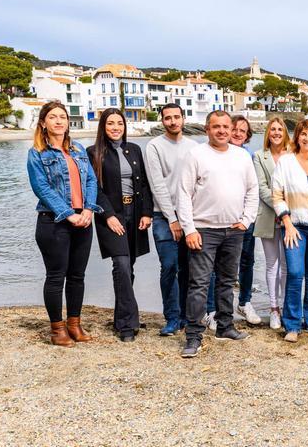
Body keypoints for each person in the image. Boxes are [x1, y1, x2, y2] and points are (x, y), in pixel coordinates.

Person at [177, 111, 258, 358]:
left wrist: (246, 220)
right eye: (216, 127)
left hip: (233, 230)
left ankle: (225, 326)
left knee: (226, 281)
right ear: (207, 129)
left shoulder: (241, 156)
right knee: (199, 284)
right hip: (204, 230)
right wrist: (189, 229)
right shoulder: (196, 155)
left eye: (225, 126)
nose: (222, 131)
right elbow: (183, 193)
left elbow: (252, 190)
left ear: (232, 129)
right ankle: (193, 336)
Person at [27, 101, 100, 346]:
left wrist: (89, 209)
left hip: (84, 219)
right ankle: (57, 330)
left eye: (62, 117)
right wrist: (68, 213)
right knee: (56, 276)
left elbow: (91, 180)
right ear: (43, 123)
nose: (59, 121)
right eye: (53, 117)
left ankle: (74, 324)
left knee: (77, 275)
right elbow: (41, 188)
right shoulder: (37, 153)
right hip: (54, 221)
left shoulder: (78, 149)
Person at [88, 108, 153, 343]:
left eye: (120, 124)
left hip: (135, 214)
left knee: (130, 267)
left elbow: (144, 184)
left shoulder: (134, 149)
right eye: (110, 124)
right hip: (112, 216)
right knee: (122, 265)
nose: (116, 128)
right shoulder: (93, 153)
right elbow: (94, 188)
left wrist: (147, 212)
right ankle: (127, 324)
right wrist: (108, 215)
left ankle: (122, 316)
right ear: (103, 127)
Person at [272, 119, 308, 342]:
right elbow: (277, 194)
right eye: (303, 134)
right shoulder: (286, 162)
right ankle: (292, 325)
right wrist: (286, 221)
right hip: (293, 226)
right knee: (296, 273)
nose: (307, 138)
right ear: (297, 137)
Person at [202, 116, 261, 328]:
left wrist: (247, 219)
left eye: (242, 131)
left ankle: (244, 302)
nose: (237, 133)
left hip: (244, 220)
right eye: (234, 129)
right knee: (216, 268)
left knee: (246, 261)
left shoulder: (249, 156)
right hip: (219, 222)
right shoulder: (210, 153)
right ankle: (212, 309)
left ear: (247, 136)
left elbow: (253, 189)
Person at [145, 103, 196, 336]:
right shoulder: (154, 146)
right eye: (168, 118)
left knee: (188, 268)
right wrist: (172, 219)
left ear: (183, 118)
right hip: (164, 217)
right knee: (169, 266)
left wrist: (188, 221)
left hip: (190, 216)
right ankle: (172, 317)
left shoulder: (194, 147)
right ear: (162, 120)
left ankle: (187, 316)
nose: (173, 121)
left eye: (177, 117)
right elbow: (157, 185)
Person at [253, 117, 291, 330]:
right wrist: (280, 205)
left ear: (285, 133)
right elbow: (261, 187)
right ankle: (273, 308)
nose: (276, 132)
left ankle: (286, 306)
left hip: (290, 219)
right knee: (272, 265)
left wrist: (288, 207)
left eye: (280, 129)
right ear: (268, 133)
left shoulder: (292, 155)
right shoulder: (259, 156)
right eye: (273, 129)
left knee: (287, 265)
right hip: (269, 215)